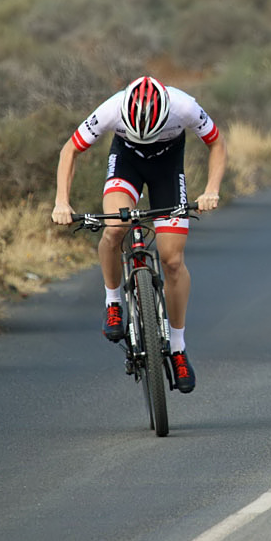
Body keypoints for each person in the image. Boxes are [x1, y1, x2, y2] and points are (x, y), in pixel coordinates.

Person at [51, 76, 226, 394]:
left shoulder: (184, 106)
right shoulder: (113, 108)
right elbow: (69, 151)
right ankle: (114, 301)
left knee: (172, 260)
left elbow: (216, 143)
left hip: (168, 171)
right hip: (126, 166)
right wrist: (61, 201)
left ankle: (177, 347)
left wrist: (212, 190)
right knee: (115, 227)